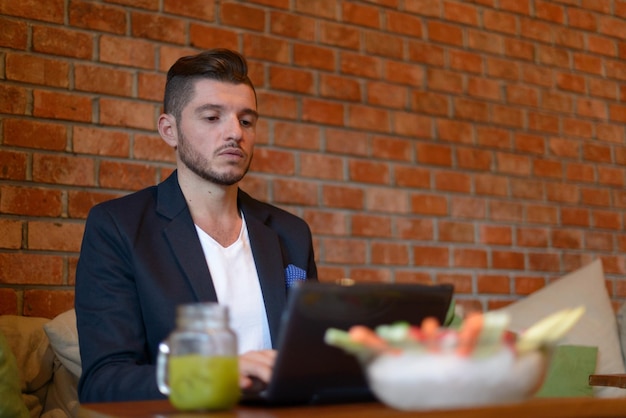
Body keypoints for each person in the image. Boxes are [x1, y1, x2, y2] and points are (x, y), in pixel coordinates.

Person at [75, 48, 318, 402]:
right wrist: (218, 376)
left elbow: (310, 359)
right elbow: (103, 382)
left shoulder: (291, 233)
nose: (234, 132)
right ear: (169, 130)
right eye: (211, 117)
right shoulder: (117, 227)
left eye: (246, 120)